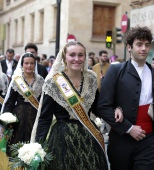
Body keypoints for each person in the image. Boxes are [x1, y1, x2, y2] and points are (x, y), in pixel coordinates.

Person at [30, 41, 110, 170]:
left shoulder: (91, 79)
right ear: (64, 57)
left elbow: (97, 108)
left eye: (80, 55)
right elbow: (45, 119)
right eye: (72, 55)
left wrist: (117, 110)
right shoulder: (53, 82)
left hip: (88, 138)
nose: (77, 59)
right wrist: (38, 148)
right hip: (62, 140)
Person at [97, 26, 154, 170]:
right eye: (139, 44)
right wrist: (129, 128)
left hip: (148, 140)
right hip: (121, 139)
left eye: (147, 45)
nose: (144, 48)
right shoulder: (116, 70)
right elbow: (102, 106)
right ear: (129, 47)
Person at [0, 52, 44, 170]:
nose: (29, 66)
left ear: (35, 64)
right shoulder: (17, 80)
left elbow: (43, 101)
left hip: (34, 118)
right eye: (26, 63)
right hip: (19, 118)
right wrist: (5, 120)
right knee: (16, 147)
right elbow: (10, 102)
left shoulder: (41, 80)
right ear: (22, 64)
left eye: (32, 63)